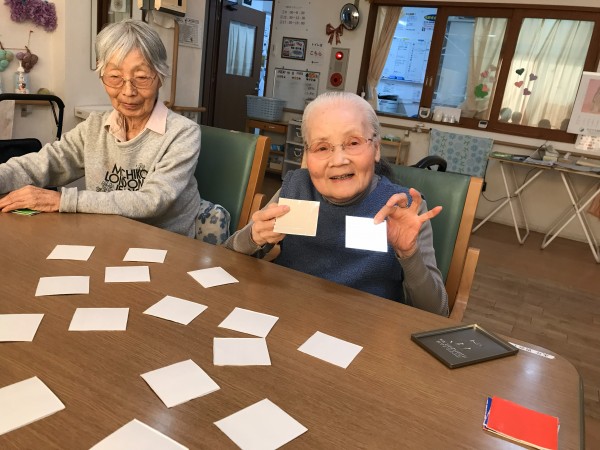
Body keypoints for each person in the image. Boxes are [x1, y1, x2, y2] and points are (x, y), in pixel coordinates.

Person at [225, 91, 449, 316]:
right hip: (291, 315)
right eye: (322, 148)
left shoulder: (402, 208)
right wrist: (254, 237)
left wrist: (408, 254)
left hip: (366, 326)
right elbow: (228, 255)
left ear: (376, 149)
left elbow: (437, 312)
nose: (339, 160)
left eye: (353, 143)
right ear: (307, 155)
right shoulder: (296, 189)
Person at [0, 19, 201, 238]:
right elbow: (46, 162)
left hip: (165, 243)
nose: (128, 91)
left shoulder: (183, 133)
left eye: (141, 77)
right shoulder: (94, 127)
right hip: (108, 236)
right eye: (115, 77)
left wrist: (63, 200)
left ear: (160, 77)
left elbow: (154, 200)